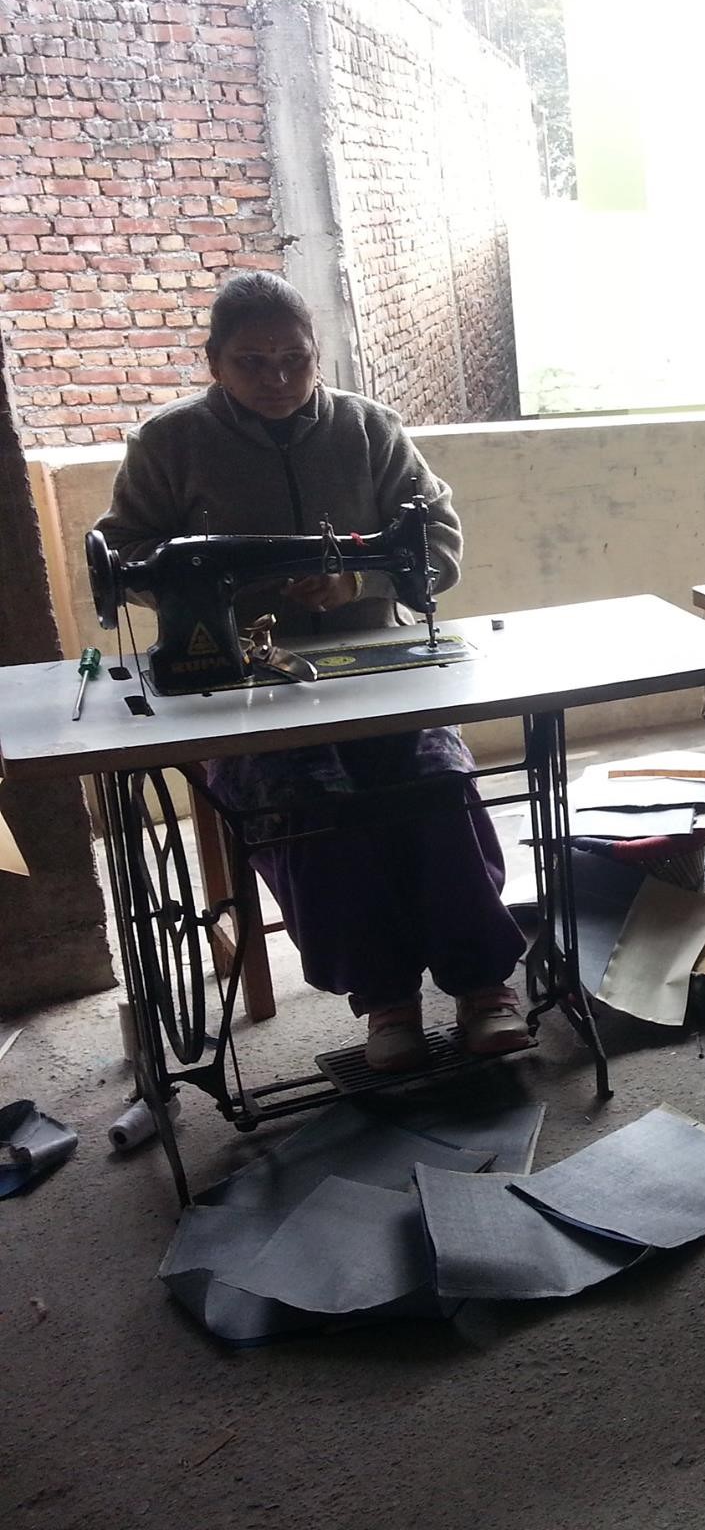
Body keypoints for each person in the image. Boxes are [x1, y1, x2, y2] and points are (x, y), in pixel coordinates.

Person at [94, 270, 529, 1072]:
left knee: (436, 780)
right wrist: (208, 590)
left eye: (294, 359)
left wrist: (359, 582)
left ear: (317, 355)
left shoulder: (370, 430)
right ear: (214, 362)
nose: (278, 378)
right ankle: (386, 998)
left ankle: (482, 985)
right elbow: (124, 551)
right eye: (252, 362)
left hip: (375, 669)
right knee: (308, 806)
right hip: (243, 681)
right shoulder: (170, 443)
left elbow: (436, 541)